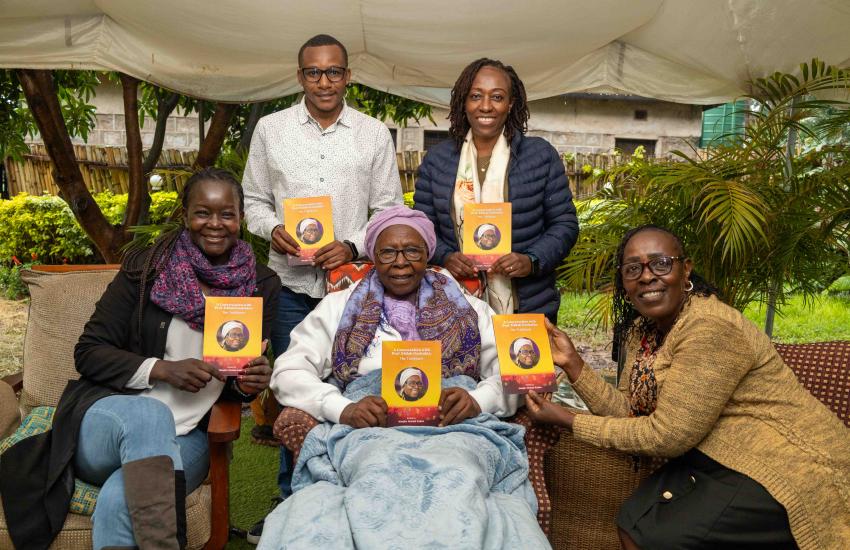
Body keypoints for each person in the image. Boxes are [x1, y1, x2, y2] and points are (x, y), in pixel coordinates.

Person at [0, 168, 281, 550]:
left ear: (241, 218)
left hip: (187, 434)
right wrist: (161, 370)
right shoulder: (145, 269)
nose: (215, 224)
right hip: (106, 422)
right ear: (185, 215)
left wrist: (250, 382)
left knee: (119, 500)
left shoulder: (261, 285)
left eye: (226, 214)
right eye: (203, 212)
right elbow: (88, 351)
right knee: (150, 414)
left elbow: (236, 380)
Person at [525, 225, 850, 550]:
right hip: (713, 456)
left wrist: (569, 420)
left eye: (661, 263)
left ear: (686, 269)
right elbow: (631, 413)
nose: (647, 276)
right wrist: (573, 364)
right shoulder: (643, 331)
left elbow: (666, 435)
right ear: (624, 282)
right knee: (633, 521)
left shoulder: (710, 328)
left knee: (655, 535)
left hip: (786, 464)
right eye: (633, 268)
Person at [260, 206, 549, 548]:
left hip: (454, 429)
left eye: (412, 251)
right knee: (377, 476)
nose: (400, 261)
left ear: (427, 253)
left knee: (458, 476)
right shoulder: (339, 306)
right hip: (370, 430)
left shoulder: (468, 307)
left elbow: (519, 371)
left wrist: (477, 400)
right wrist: (342, 409)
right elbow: (288, 371)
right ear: (373, 255)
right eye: (387, 252)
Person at [241, 33, 402, 541]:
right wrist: (274, 231)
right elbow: (252, 202)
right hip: (291, 285)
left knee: (350, 388)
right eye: (314, 72)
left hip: (353, 289)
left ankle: (345, 498)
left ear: (348, 76)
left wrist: (354, 246)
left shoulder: (374, 134)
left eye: (334, 72)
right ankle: (291, 502)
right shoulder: (270, 130)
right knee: (295, 393)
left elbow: (389, 211)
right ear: (300, 77)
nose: (324, 81)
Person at [414, 58, 579, 322]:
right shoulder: (438, 159)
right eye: (476, 96)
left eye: (497, 97)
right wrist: (446, 256)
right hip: (454, 301)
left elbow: (564, 224)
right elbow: (422, 227)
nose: (486, 106)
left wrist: (531, 260)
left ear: (511, 103)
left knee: (519, 363)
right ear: (463, 102)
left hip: (529, 304)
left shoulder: (540, 155)